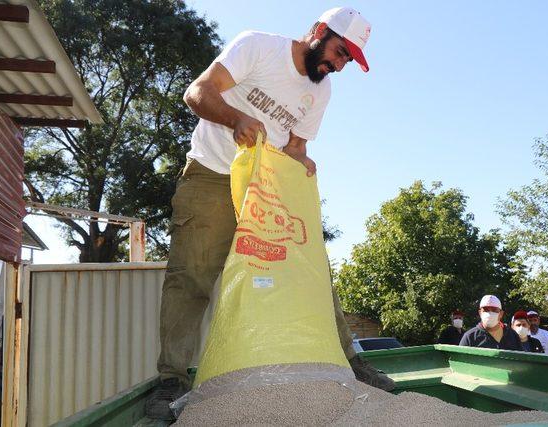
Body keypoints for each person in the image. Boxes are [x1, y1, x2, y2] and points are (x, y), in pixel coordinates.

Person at [145, 7, 392, 420]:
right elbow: (197, 92)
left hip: (266, 187)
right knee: (191, 278)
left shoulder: (321, 90)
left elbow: (296, 146)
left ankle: (352, 362)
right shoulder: (257, 46)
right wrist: (235, 117)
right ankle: (170, 380)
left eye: (349, 59)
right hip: (211, 174)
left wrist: (302, 162)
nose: (339, 64)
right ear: (318, 31)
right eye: (339, 51)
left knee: (311, 269)